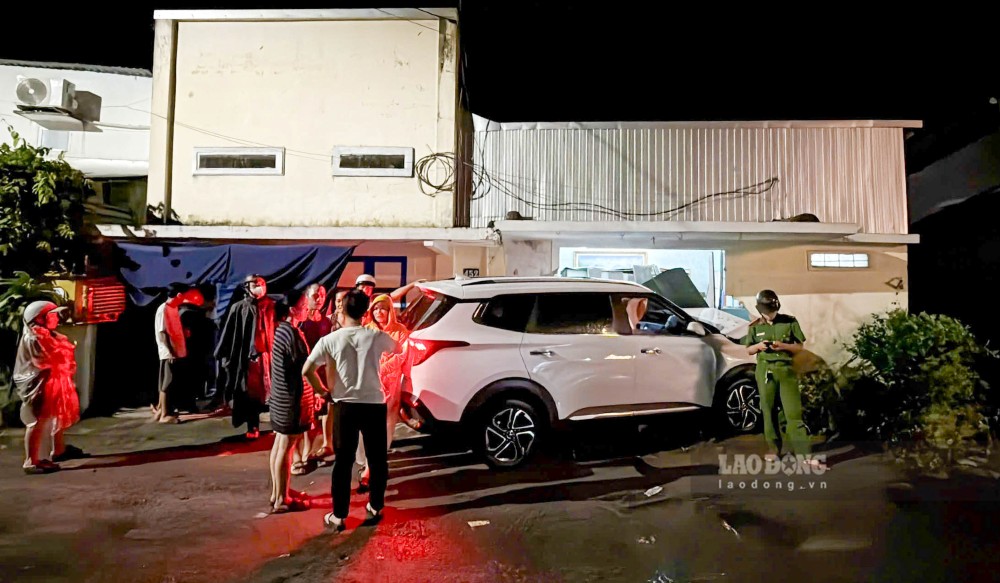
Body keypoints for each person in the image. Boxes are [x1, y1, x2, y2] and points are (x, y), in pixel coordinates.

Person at [303, 289, 400, 531]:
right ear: (365, 312)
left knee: (343, 462)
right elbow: (397, 349)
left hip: (344, 405)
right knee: (377, 459)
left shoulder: (330, 340)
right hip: (374, 403)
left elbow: (307, 370)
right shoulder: (375, 336)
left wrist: (322, 391)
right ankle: (375, 506)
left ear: (342, 310)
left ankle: (339, 516)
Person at [744, 290, 824, 469]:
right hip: (765, 371)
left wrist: (783, 346)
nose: (769, 315)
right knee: (768, 411)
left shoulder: (789, 322)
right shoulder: (755, 327)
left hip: (786, 370)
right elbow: (748, 350)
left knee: (793, 412)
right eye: (766, 312)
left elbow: (799, 347)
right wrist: (759, 346)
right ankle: (773, 449)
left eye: (772, 311)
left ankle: (804, 454)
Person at [13, 301, 80, 474]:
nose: (56, 318)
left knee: (52, 417)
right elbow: (45, 360)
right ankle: (31, 461)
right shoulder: (35, 337)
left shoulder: (49, 335)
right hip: (38, 384)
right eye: (52, 315)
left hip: (49, 382)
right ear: (40, 319)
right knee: (37, 420)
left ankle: (54, 452)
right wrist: (63, 355)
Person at [357, 293, 410, 488]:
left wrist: (383, 367)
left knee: (385, 428)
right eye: (376, 309)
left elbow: (402, 355)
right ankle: (368, 465)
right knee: (367, 428)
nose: (379, 312)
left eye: (383, 309)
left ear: (390, 311)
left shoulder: (400, 331)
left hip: (390, 386)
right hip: (369, 386)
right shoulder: (366, 330)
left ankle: (373, 466)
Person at [267, 290, 313, 513]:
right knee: (285, 447)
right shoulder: (289, 333)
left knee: (280, 445)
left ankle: (279, 492)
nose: (307, 309)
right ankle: (281, 500)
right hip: (290, 399)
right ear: (293, 309)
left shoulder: (283, 330)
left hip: (281, 397)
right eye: (304, 306)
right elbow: (303, 367)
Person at [215, 275, 275, 439]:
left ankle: (277, 424)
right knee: (250, 394)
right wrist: (224, 354)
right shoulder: (239, 307)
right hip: (249, 359)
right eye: (256, 284)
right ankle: (253, 425)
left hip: (269, 357)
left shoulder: (271, 306)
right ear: (247, 287)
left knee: (274, 391)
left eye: (262, 284)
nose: (260, 287)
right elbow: (230, 332)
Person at [297, 283, 333, 468]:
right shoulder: (301, 322)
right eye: (315, 295)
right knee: (308, 414)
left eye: (322, 295)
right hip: (306, 371)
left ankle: (317, 448)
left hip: (323, 371)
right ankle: (304, 453)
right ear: (307, 297)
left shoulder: (326, 321)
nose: (319, 299)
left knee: (323, 411)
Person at [152, 284, 198, 424]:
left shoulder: (172, 308)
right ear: (179, 295)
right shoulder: (164, 308)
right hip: (169, 353)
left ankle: (162, 410)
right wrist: (170, 352)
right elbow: (162, 332)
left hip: (175, 351)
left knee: (167, 381)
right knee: (167, 382)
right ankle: (164, 414)